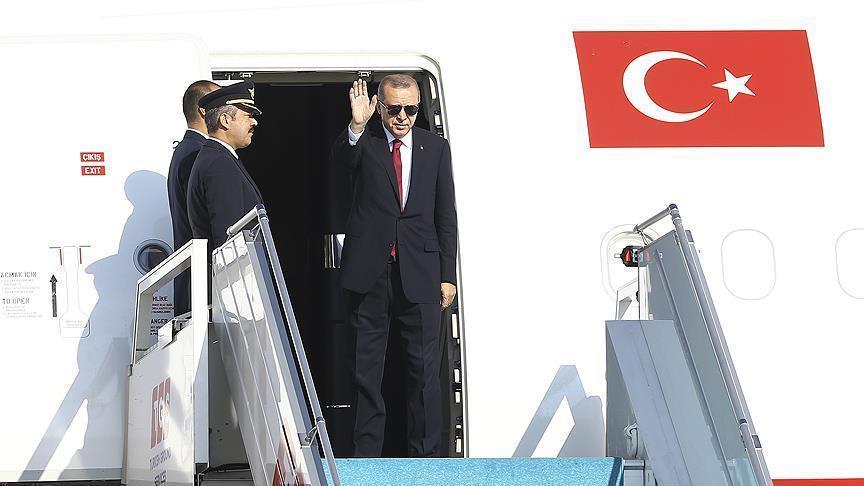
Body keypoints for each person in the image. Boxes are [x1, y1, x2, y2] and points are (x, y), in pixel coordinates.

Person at [331, 75, 458, 457]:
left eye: (411, 109)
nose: (403, 117)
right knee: (366, 372)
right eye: (394, 109)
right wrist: (356, 125)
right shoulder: (364, 142)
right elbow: (341, 165)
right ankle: (366, 462)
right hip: (369, 275)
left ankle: (427, 463)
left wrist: (447, 275)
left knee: (424, 373)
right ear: (380, 107)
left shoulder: (435, 148)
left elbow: (445, 215)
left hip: (421, 273)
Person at [187, 80, 264, 262]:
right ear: (225, 120)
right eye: (248, 115)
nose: (254, 122)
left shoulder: (217, 157)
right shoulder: (219, 164)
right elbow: (229, 239)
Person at [167, 80, 219, 316]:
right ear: (204, 110)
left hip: (194, 279)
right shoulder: (196, 153)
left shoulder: (188, 149)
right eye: (221, 103)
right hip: (200, 283)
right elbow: (202, 219)